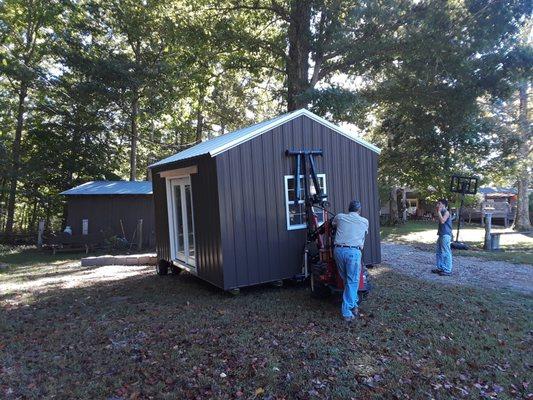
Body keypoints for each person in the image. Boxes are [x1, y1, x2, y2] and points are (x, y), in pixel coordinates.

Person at [332, 200, 369, 322]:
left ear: (349, 209)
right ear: (359, 210)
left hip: (338, 251)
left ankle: (354, 305)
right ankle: (346, 311)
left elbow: (333, 224)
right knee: (352, 281)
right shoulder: (364, 221)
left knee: (347, 280)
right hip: (353, 252)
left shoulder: (340, 217)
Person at [431, 199, 453, 276]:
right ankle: (440, 268)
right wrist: (438, 212)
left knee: (446, 252)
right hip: (441, 234)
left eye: (439, 203)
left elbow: (443, 221)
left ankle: (447, 270)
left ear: (443, 205)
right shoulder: (442, 212)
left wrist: (439, 212)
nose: (437, 205)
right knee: (439, 252)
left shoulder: (446, 212)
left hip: (446, 235)